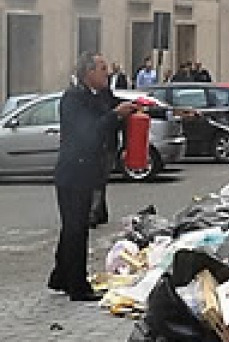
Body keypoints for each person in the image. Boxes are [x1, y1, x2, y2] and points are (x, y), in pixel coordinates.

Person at [48, 53, 137, 302]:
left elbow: (121, 108)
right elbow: (87, 132)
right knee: (77, 229)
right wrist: (115, 115)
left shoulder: (102, 96)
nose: (107, 73)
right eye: (102, 69)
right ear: (88, 73)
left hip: (90, 171)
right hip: (72, 171)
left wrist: (157, 109)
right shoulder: (73, 99)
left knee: (72, 228)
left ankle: (60, 277)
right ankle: (78, 287)